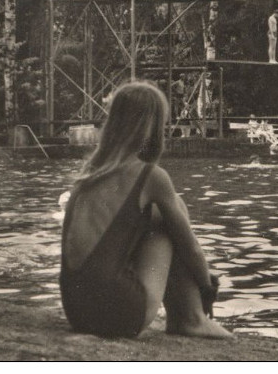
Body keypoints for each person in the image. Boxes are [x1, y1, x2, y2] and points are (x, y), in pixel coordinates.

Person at [60, 81, 232, 339]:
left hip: (77, 311)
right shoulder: (151, 176)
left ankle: (189, 316)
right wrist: (207, 286)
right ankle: (191, 318)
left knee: (153, 213)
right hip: (120, 315)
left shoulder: (87, 177)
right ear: (151, 127)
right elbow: (191, 247)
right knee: (170, 213)